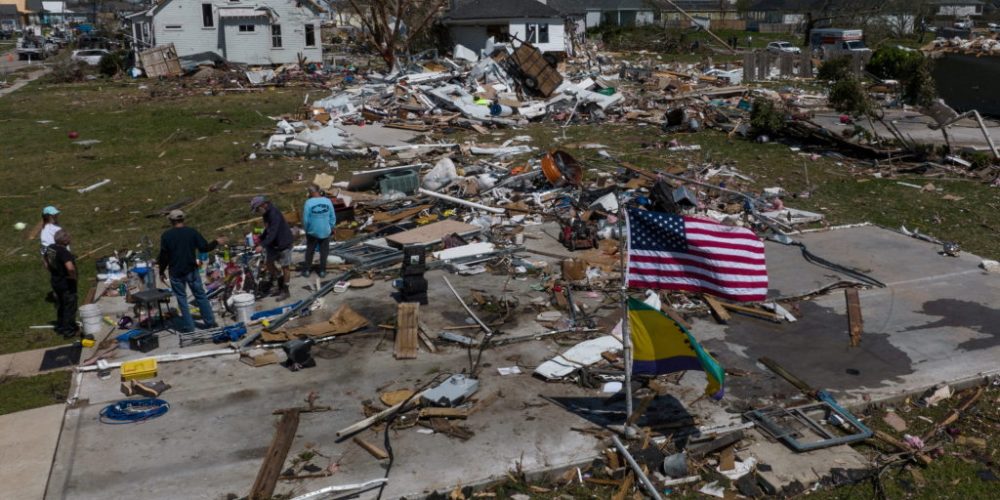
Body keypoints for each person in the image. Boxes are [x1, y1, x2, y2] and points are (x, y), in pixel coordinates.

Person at [157, 210, 226, 332]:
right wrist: (216, 242)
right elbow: (204, 248)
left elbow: (164, 256)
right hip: (191, 270)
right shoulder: (192, 232)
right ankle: (210, 323)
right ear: (183, 219)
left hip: (176, 272)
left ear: (171, 221)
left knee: (182, 299)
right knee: (200, 296)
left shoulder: (166, 236)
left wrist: (161, 272)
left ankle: (189, 327)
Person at [250, 196, 293, 301]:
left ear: (263, 205)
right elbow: (268, 230)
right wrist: (260, 238)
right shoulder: (265, 214)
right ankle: (280, 282)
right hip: (273, 244)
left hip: (283, 242)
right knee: (269, 263)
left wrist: (262, 245)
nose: (257, 211)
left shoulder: (274, 214)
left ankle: (286, 290)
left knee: (285, 266)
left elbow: (273, 232)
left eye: (257, 209)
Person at [45, 229, 79, 338]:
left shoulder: (50, 248)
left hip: (56, 282)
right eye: (68, 237)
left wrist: (53, 271)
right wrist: (73, 276)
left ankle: (61, 326)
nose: (70, 239)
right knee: (70, 306)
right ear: (64, 241)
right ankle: (69, 331)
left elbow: (45, 262)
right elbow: (70, 267)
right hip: (66, 284)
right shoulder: (64, 252)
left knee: (61, 305)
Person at [301, 185, 336, 278]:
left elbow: (305, 219)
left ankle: (307, 270)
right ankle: (322, 271)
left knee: (310, 251)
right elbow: (332, 216)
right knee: (324, 252)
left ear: (310, 192)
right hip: (325, 230)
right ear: (318, 191)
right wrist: (332, 227)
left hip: (313, 231)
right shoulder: (327, 201)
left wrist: (306, 229)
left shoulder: (308, 203)